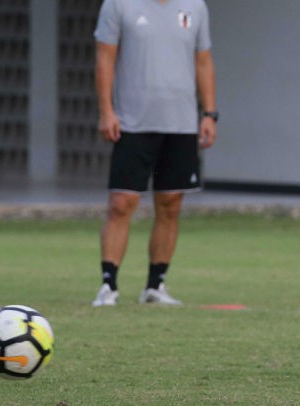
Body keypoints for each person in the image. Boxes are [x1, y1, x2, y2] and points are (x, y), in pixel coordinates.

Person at [92, 0, 217, 306]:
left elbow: (203, 61)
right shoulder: (118, 5)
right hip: (133, 123)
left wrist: (210, 113)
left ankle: (155, 286)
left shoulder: (195, 7)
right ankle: (109, 285)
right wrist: (106, 110)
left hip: (181, 123)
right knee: (122, 202)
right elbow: (105, 58)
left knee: (170, 204)